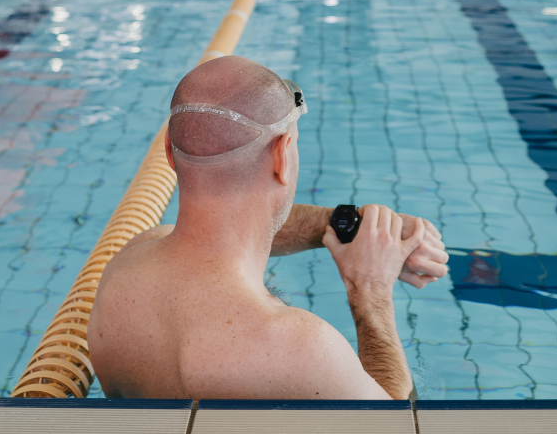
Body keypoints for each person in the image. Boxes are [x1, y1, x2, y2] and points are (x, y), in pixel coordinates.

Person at [89, 56, 449, 400]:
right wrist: (369, 290)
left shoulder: (120, 275)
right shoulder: (299, 348)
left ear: (169, 151)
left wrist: (350, 225)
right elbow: (400, 423)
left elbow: (219, 230)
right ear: (282, 155)